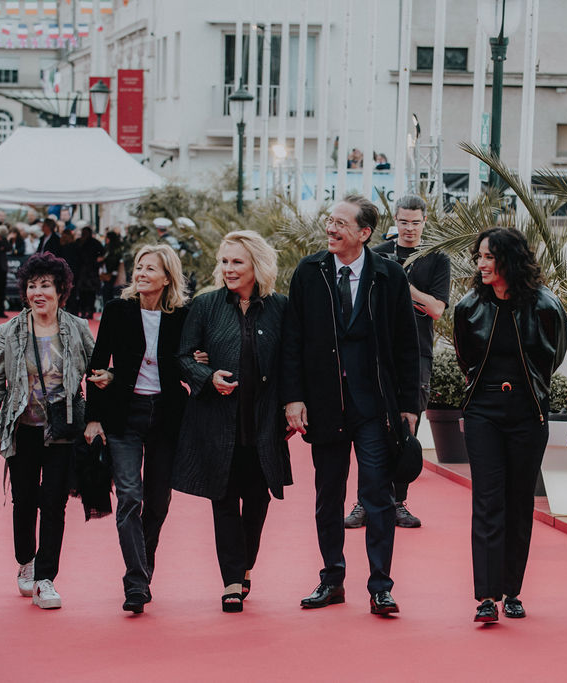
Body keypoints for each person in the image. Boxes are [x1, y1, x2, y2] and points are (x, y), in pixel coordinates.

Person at [282, 194, 419, 616]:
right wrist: (293, 397)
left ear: (364, 233)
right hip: (325, 405)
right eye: (330, 220)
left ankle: (381, 587)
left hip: (374, 407)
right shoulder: (309, 272)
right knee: (328, 496)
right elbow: (292, 340)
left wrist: (409, 405)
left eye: (341, 223)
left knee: (377, 496)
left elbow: (407, 344)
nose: (331, 228)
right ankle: (332, 580)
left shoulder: (389, 276)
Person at [453, 227, 567, 623]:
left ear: (510, 260)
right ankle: (487, 596)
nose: (481, 264)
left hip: (527, 413)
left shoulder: (546, 306)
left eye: (489, 257)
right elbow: (465, 358)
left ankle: (512, 591)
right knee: (487, 501)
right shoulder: (468, 307)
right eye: (479, 257)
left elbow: (554, 356)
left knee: (519, 502)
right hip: (483, 411)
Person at [175, 231, 292, 613]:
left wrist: (294, 405)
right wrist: (208, 376)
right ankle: (231, 580)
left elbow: (291, 362)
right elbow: (183, 356)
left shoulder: (279, 307)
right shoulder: (206, 305)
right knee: (223, 498)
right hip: (216, 422)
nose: (228, 268)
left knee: (257, 499)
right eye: (224, 261)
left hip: (263, 423)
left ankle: (244, 566)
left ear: (257, 265)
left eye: (237, 261)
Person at [0, 252, 95, 610]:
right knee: (25, 500)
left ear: (60, 290)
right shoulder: (10, 331)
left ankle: (46, 578)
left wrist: (100, 406)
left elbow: (97, 372)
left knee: (54, 503)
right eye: (32, 286)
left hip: (63, 429)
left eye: (45, 285)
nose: (38, 292)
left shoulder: (77, 328)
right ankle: (26, 560)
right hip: (23, 428)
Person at [84, 244, 190, 615]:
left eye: (150, 269)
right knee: (130, 496)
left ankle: (142, 571)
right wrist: (93, 417)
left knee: (158, 501)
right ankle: (136, 582)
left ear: (167, 277)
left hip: (166, 417)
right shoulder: (118, 310)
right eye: (139, 267)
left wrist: (201, 358)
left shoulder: (182, 315)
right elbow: (98, 363)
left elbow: (188, 361)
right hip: (124, 416)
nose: (141, 273)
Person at [345, 194, 450, 530]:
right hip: (375, 354)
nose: (409, 228)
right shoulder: (375, 254)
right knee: (368, 427)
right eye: (403, 222)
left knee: (406, 427)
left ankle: (397, 502)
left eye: (415, 222)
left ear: (424, 222)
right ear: (395, 220)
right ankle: (364, 502)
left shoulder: (437, 259)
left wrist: (403, 284)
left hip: (417, 354)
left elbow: (436, 309)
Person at [75, 226, 104, 320]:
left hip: (88, 272)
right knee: (86, 293)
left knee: (88, 293)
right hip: (86, 271)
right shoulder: (83, 242)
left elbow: (102, 255)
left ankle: (87, 311)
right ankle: (87, 311)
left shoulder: (84, 242)